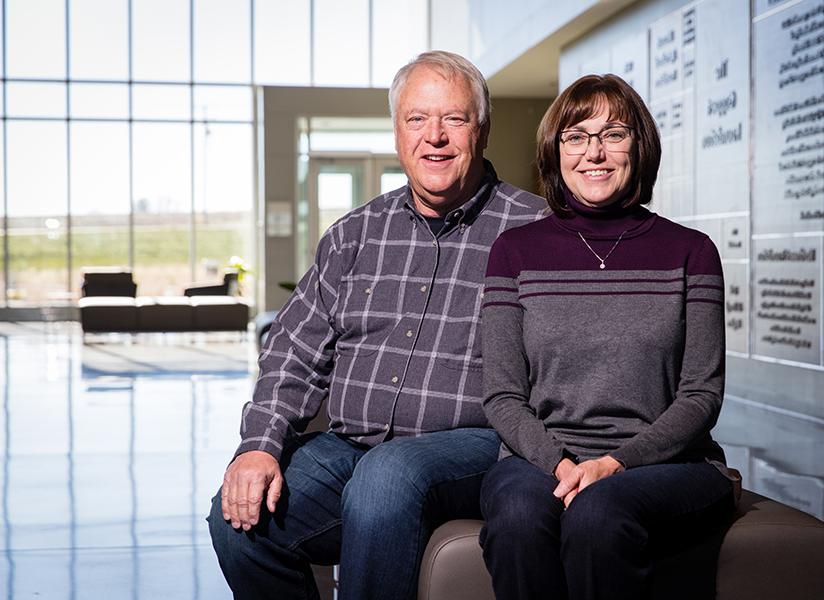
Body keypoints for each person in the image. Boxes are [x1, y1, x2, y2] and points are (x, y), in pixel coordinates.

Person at [207, 51, 546, 600]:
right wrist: (259, 447)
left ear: (480, 130)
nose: (434, 136)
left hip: (478, 448)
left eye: (453, 119)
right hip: (352, 448)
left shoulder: (534, 233)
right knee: (237, 521)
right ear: (397, 132)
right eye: (417, 119)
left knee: (388, 474)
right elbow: (292, 352)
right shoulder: (355, 235)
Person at [478, 74, 737, 600]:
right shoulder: (515, 251)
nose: (594, 152)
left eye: (613, 134)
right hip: (540, 460)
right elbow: (502, 396)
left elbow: (701, 395)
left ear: (639, 146)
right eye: (576, 136)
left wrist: (615, 464)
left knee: (598, 514)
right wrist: (562, 464)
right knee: (519, 518)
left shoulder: (692, 252)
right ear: (555, 153)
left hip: (668, 464)